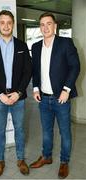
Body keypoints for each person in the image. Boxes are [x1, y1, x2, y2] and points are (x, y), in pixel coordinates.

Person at [29, 12, 80, 179]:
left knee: (65, 132)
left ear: (55, 26)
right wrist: (36, 88)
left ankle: (64, 161)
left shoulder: (65, 43)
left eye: (48, 23)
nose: (45, 27)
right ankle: (47, 157)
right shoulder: (36, 47)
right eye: (42, 24)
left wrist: (67, 89)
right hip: (43, 98)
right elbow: (35, 71)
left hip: (61, 98)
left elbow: (75, 67)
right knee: (46, 131)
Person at [0, 10, 32, 177]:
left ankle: (20, 159)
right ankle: (0, 160)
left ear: (13, 24)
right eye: (2, 22)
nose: (6, 25)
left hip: (18, 97)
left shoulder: (22, 46)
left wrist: (18, 93)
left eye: (9, 22)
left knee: (19, 129)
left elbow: (27, 72)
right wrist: (0, 95)